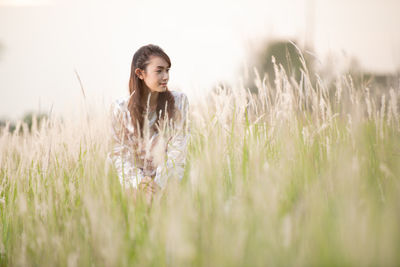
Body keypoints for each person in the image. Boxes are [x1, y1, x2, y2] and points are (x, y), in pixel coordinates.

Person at [108, 44, 189, 204]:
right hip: (134, 183)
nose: (165, 76)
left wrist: (158, 184)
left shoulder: (179, 101)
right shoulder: (120, 108)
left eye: (167, 70)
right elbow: (119, 154)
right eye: (159, 71)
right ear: (140, 73)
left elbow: (177, 151)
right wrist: (140, 182)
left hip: (168, 180)